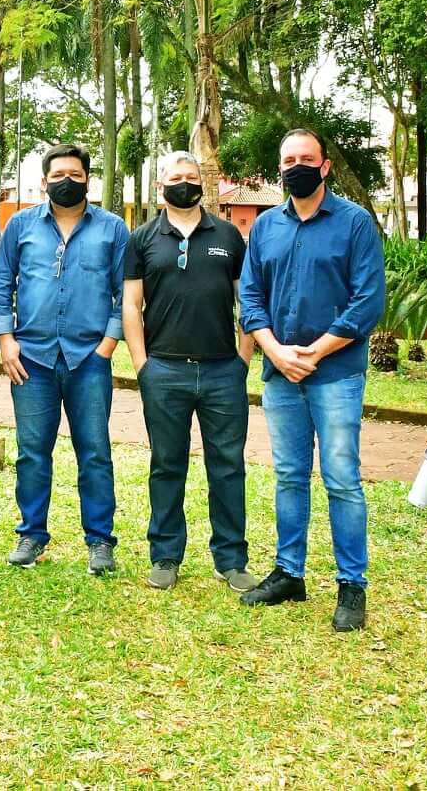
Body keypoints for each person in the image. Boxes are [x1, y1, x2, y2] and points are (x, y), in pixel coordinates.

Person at [237, 127, 386, 633]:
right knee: (289, 476)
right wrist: (277, 351)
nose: (296, 166)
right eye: (288, 159)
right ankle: (289, 573)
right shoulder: (265, 228)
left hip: (336, 373)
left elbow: (368, 301)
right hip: (281, 373)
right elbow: (250, 298)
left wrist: (316, 351)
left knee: (342, 478)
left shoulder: (355, 224)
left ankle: (351, 584)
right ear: (279, 168)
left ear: (324, 166)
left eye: (306, 158)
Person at [0, 143, 128, 576]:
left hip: (89, 358)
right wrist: (6, 341)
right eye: (57, 174)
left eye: (75, 173)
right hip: (31, 359)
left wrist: (107, 345)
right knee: (32, 452)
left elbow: (125, 293)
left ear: (88, 178)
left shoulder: (112, 229)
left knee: (95, 452)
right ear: (44, 180)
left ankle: (100, 541)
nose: (66, 180)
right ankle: (31, 534)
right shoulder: (21, 225)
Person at [122, 151, 257, 592]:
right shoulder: (142, 239)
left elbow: (248, 302)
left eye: (192, 176)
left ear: (203, 182)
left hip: (223, 373)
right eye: (176, 177)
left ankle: (231, 559)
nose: (185, 183)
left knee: (227, 466)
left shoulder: (228, 236)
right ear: (161, 186)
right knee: (166, 465)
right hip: (164, 372)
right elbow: (130, 305)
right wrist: (142, 365)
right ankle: (164, 555)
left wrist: (243, 359)